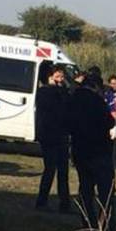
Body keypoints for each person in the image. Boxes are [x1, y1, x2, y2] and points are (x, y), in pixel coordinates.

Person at [66, 74, 116, 231]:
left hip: (81, 149)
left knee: (86, 188)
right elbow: (109, 122)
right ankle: (108, 225)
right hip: (99, 149)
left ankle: (88, 222)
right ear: (95, 87)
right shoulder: (96, 101)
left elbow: (67, 124)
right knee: (105, 190)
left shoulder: (72, 100)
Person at [35, 64, 71, 213]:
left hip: (61, 134)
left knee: (63, 170)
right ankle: (42, 201)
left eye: (62, 76)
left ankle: (64, 203)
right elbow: (50, 109)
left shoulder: (62, 91)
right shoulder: (44, 92)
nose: (61, 79)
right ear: (50, 77)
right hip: (49, 134)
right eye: (58, 76)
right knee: (50, 168)